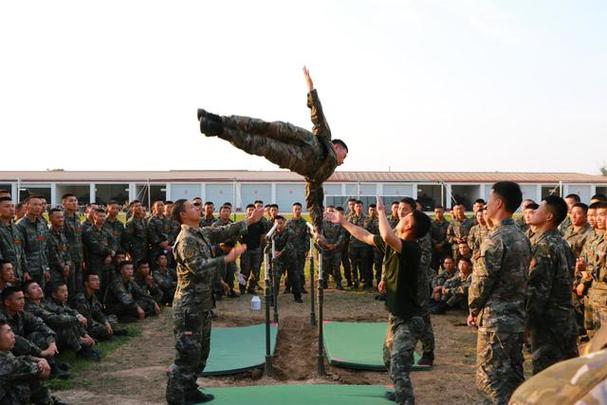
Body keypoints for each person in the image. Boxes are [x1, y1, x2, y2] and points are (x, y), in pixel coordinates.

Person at [198, 67, 348, 236]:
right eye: (345, 155)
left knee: (259, 144)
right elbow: (318, 115)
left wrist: (318, 229)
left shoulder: (322, 173)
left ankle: (217, 129)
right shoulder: (326, 138)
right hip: (295, 135)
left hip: (290, 157)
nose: (343, 161)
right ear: (337, 147)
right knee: (262, 126)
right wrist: (310, 88)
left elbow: (315, 201)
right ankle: (217, 119)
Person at [328, 196, 431, 404]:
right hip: (396, 317)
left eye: (405, 216)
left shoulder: (411, 248)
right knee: (388, 358)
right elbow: (365, 235)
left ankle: (406, 399)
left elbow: (386, 234)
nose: (400, 217)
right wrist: (344, 222)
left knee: (398, 362)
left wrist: (381, 211)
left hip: (410, 320)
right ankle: (400, 390)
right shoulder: (393, 246)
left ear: (409, 226)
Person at [166, 199, 263, 405]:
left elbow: (224, 231)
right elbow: (199, 267)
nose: (198, 208)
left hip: (202, 304)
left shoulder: (200, 232)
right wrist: (227, 259)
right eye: (193, 207)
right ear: (183, 215)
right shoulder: (186, 240)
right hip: (188, 307)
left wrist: (251, 220)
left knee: (201, 353)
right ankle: (175, 398)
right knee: (186, 356)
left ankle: (190, 389)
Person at [467, 181, 531, 404]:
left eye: (489, 201)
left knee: (490, 381)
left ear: (499, 203)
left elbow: (482, 282)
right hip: (516, 318)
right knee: (513, 377)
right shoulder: (521, 236)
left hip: (495, 321)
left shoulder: (496, 239)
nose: (486, 206)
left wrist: (473, 308)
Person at [525, 196, 578, 374]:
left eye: (539, 209)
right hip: (565, 319)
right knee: (568, 376)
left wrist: (527, 322)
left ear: (548, 217)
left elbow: (539, 290)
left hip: (548, 324)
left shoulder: (544, 246)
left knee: (546, 378)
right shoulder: (562, 242)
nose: (533, 212)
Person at [0, 319, 64, 405]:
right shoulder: (3, 361)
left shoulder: (4, 353)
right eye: (8, 332)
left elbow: (19, 360)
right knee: (29, 378)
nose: (13, 335)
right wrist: (41, 365)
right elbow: (34, 369)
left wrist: (38, 359)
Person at [16, 196, 50, 289]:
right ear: (27, 206)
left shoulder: (42, 224)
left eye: (40, 205)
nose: (38, 207)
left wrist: (46, 268)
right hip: (29, 270)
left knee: (40, 295)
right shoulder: (20, 225)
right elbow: (20, 251)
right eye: (34, 204)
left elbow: (45, 248)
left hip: (42, 269)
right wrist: (25, 271)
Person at [71, 273, 116, 341]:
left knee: (113, 319)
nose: (97, 282)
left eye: (98, 280)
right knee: (103, 329)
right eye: (94, 280)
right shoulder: (80, 298)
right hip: (83, 326)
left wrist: (106, 323)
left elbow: (98, 312)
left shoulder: (92, 295)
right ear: (86, 283)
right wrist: (102, 326)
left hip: (92, 322)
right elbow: (87, 319)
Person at [272, 215, 303, 303]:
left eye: (281, 223)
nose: (279, 225)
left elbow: (289, 246)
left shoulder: (290, 232)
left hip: (290, 258)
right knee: (275, 278)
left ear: (284, 223)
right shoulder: (271, 233)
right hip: (278, 260)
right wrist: (273, 251)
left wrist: (279, 252)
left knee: (295, 278)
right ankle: (272, 298)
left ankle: (297, 297)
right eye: (277, 223)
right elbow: (268, 245)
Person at [62, 193, 85, 295]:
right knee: (70, 286)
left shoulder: (77, 217)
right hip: (68, 258)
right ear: (64, 204)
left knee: (79, 284)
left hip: (78, 257)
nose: (74, 203)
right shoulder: (62, 218)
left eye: (75, 201)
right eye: (70, 201)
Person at [0, 196, 27, 282]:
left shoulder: (16, 228)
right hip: (3, 277)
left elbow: (21, 251)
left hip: (18, 274)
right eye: (7, 206)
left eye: (12, 206)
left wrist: (25, 270)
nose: (11, 209)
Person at [286, 202, 310, 294]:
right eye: (295, 209)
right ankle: (288, 287)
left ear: (301, 210)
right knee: (290, 269)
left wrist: (306, 249)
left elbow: (307, 237)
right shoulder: (288, 223)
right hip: (290, 250)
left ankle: (301, 287)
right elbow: (286, 237)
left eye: (299, 209)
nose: (297, 211)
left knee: (300, 270)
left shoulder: (304, 223)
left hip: (300, 250)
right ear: (292, 210)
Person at [46, 209, 72, 289]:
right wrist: (63, 267)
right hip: (54, 272)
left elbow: (67, 250)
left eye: (62, 217)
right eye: (58, 217)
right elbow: (52, 255)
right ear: (50, 219)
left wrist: (67, 264)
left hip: (65, 270)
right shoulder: (47, 235)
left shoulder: (61, 233)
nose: (61, 219)